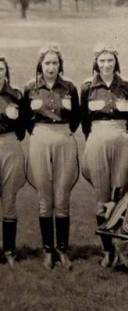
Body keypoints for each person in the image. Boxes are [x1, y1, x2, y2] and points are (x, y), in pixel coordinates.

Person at [80, 44, 128, 267]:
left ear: (116, 62)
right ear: (96, 63)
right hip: (97, 139)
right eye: (102, 61)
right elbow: (83, 121)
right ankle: (107, 250)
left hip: (122, 139)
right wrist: (96, 138)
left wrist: (122, 135)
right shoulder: (87, 88)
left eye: (110, 60)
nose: (106, 65)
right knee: (102, 198)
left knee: (121, 196)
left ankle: (121, 248)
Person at [23, 45, 80, 270]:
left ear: (60, 65)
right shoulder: (30, 88)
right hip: (39, 138)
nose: (51, 67)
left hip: (64, 138)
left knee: (62, 196)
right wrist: (39, 134)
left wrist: (63, 132)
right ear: (40, 65)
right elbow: (25, 120)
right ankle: (48, 250)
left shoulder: (69, 88)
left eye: (55, 63)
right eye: (47, 63)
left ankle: (62, 250)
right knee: (44, 198)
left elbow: (76, 117)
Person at [0, 57, 26, 267]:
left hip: (10, 145)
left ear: (6, 72)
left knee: (9, 198)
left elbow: (23, 127)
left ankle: (9, 249)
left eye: (0, 69)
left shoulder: (16, 94)